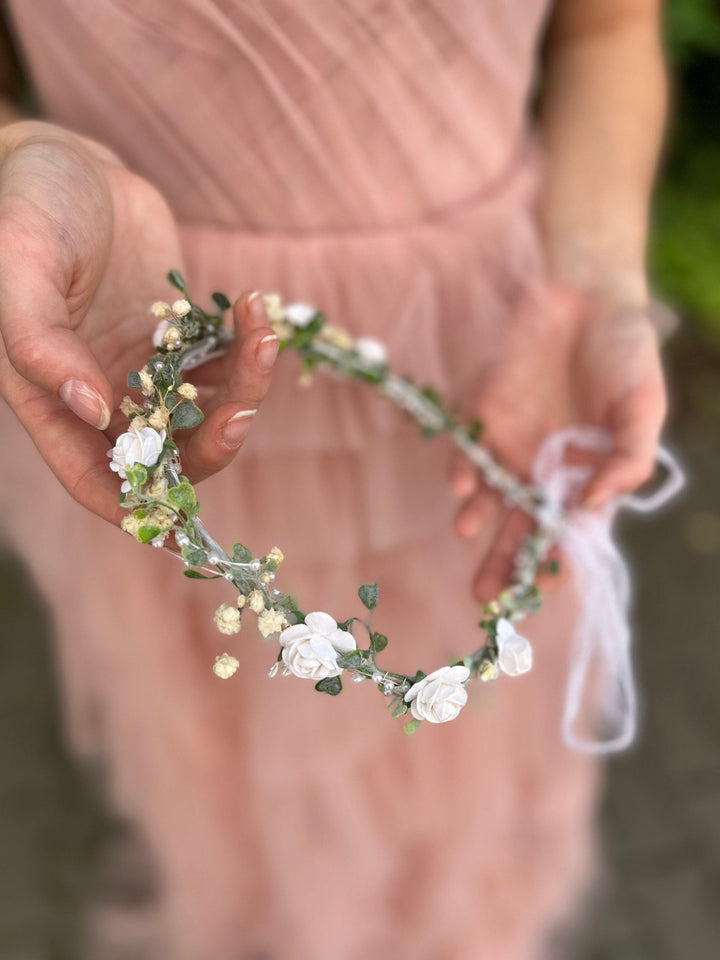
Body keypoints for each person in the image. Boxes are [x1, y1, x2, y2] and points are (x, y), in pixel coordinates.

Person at [0, 1, 668, 958]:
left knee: (457, 785)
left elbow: (605, 32)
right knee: (217, 763)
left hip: (494, 356)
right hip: (140, 333)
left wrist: (598, 281)